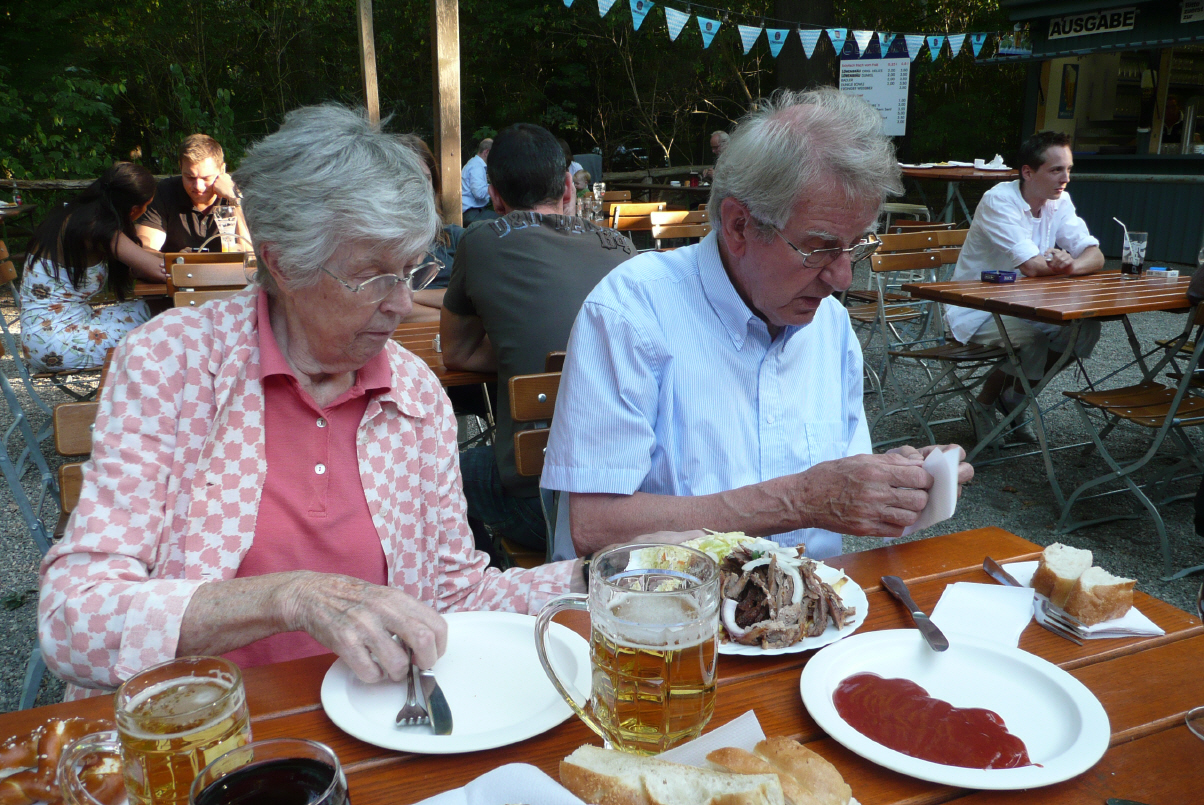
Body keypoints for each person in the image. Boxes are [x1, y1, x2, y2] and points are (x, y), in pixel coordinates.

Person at [38, 105, 589, 700]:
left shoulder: (413, 393)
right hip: (200, 725)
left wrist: (597, 577)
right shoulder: (172, 364)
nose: (402, 303)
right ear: (282, 263)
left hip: (379, 722)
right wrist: (292, 597)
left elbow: (454, 596)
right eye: (373, 276)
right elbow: (75, 619)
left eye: (411, 271)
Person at [541, 88, 973, 559]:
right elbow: (595, 527)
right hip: (674, 602)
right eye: (820, 247)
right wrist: (800, 499)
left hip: (817, 597)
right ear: (738, 226)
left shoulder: (830, 324)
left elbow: (839, 476)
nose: (843, 278)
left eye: (856, 246)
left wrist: (898, 482)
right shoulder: (632, 311)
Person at [441, 123, 635, 557]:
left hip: (541, 508)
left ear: (494, 197)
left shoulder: (479, 242)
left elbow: (457, 351)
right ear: (568, 186)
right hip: (629, 500)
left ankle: (484, 570)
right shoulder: (622, 248)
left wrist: (522, 351)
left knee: (435, 472)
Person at [945, 131, 1105, 443]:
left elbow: (1094, 254)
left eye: (1068, 169)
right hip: (977, 308)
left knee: (1084, 329)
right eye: (1056, 170)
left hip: (1029, 305)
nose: (1065, 178)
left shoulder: (1060, 201)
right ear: (1028, 172)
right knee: (1032, 341)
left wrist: (1072, 265)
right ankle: (982, 405)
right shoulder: (999, 201)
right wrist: (1065, 265)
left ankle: (1014, 400)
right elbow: (1031, 266)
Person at [19, 162, 167, 371]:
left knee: (158, 309)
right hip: (56, 342)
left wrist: (172, 257)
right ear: (134, 209)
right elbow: (159, 270)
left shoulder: (77, 214)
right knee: (168, 324)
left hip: (46, 334)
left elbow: (141, 258)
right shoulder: (95, 227)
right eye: (146, 207)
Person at [135, 134, 252, 253]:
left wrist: (234, 199)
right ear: (180, 168)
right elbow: (146, 248)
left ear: (222, 170)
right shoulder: (165, 192)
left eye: (206, 178)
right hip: (176, 264)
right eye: (190, 177)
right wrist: (179, 260)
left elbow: (251, 253)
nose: (198, 186)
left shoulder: (243, 193)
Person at [395, 134, 465, 323]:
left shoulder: (456, 238)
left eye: (424, 179)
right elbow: (376, 305)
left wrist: (407, 294)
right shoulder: (376, 245)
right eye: (408, 179)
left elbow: (476, 298)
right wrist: (454, 317)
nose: (418, 190)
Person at [461, 138, 496, 224]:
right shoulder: (476, 166)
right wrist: (496, 186)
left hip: (473, 211)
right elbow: (479, 193)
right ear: (486, 152)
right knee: (504, 219)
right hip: (471, 213)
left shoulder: (474, 163)